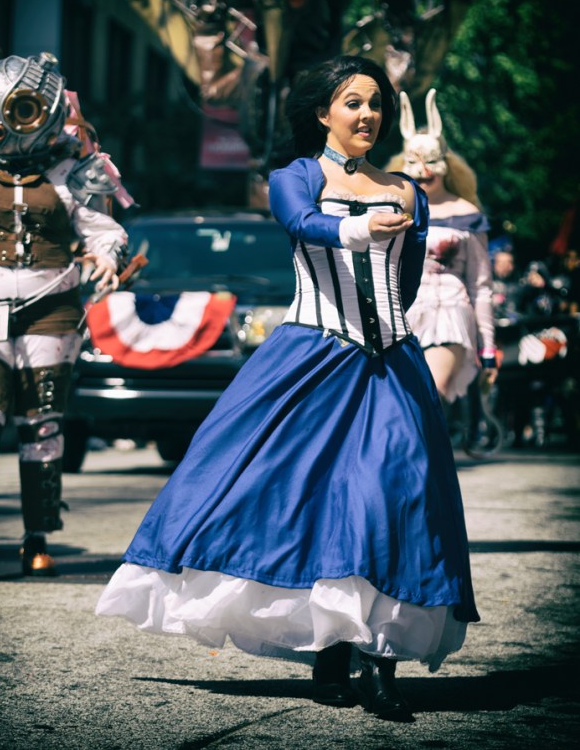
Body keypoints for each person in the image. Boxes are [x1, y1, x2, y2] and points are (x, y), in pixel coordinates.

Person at [96, 55, 479, 722]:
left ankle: (378, 661)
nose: (368, 115)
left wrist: (388, 288)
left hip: (391, 365)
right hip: (309, 361)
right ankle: (332, 654)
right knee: (306, 502)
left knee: (392, 496)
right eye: (354, 102)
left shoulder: (407, 191)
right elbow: (303, 223)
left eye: (376, 104)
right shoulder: (293, 177)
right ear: (323, 112)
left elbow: (409, 282)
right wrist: (360, 227)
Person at [0, 51, 128, 582]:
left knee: (43, 423)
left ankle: (36, 539)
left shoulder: (70, 171)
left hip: (50, 311)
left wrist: (106, 255)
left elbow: (104, 231)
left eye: (30, 107)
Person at [385, 90, 498, 408]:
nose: (424, 170)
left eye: (432, 160)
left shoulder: (467, 214)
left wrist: (487, 347)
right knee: (401, 406)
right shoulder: (389, 209)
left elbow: (481, 285)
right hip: (401, 318)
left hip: (449, 312)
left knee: (432, 396)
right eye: (414, 161)